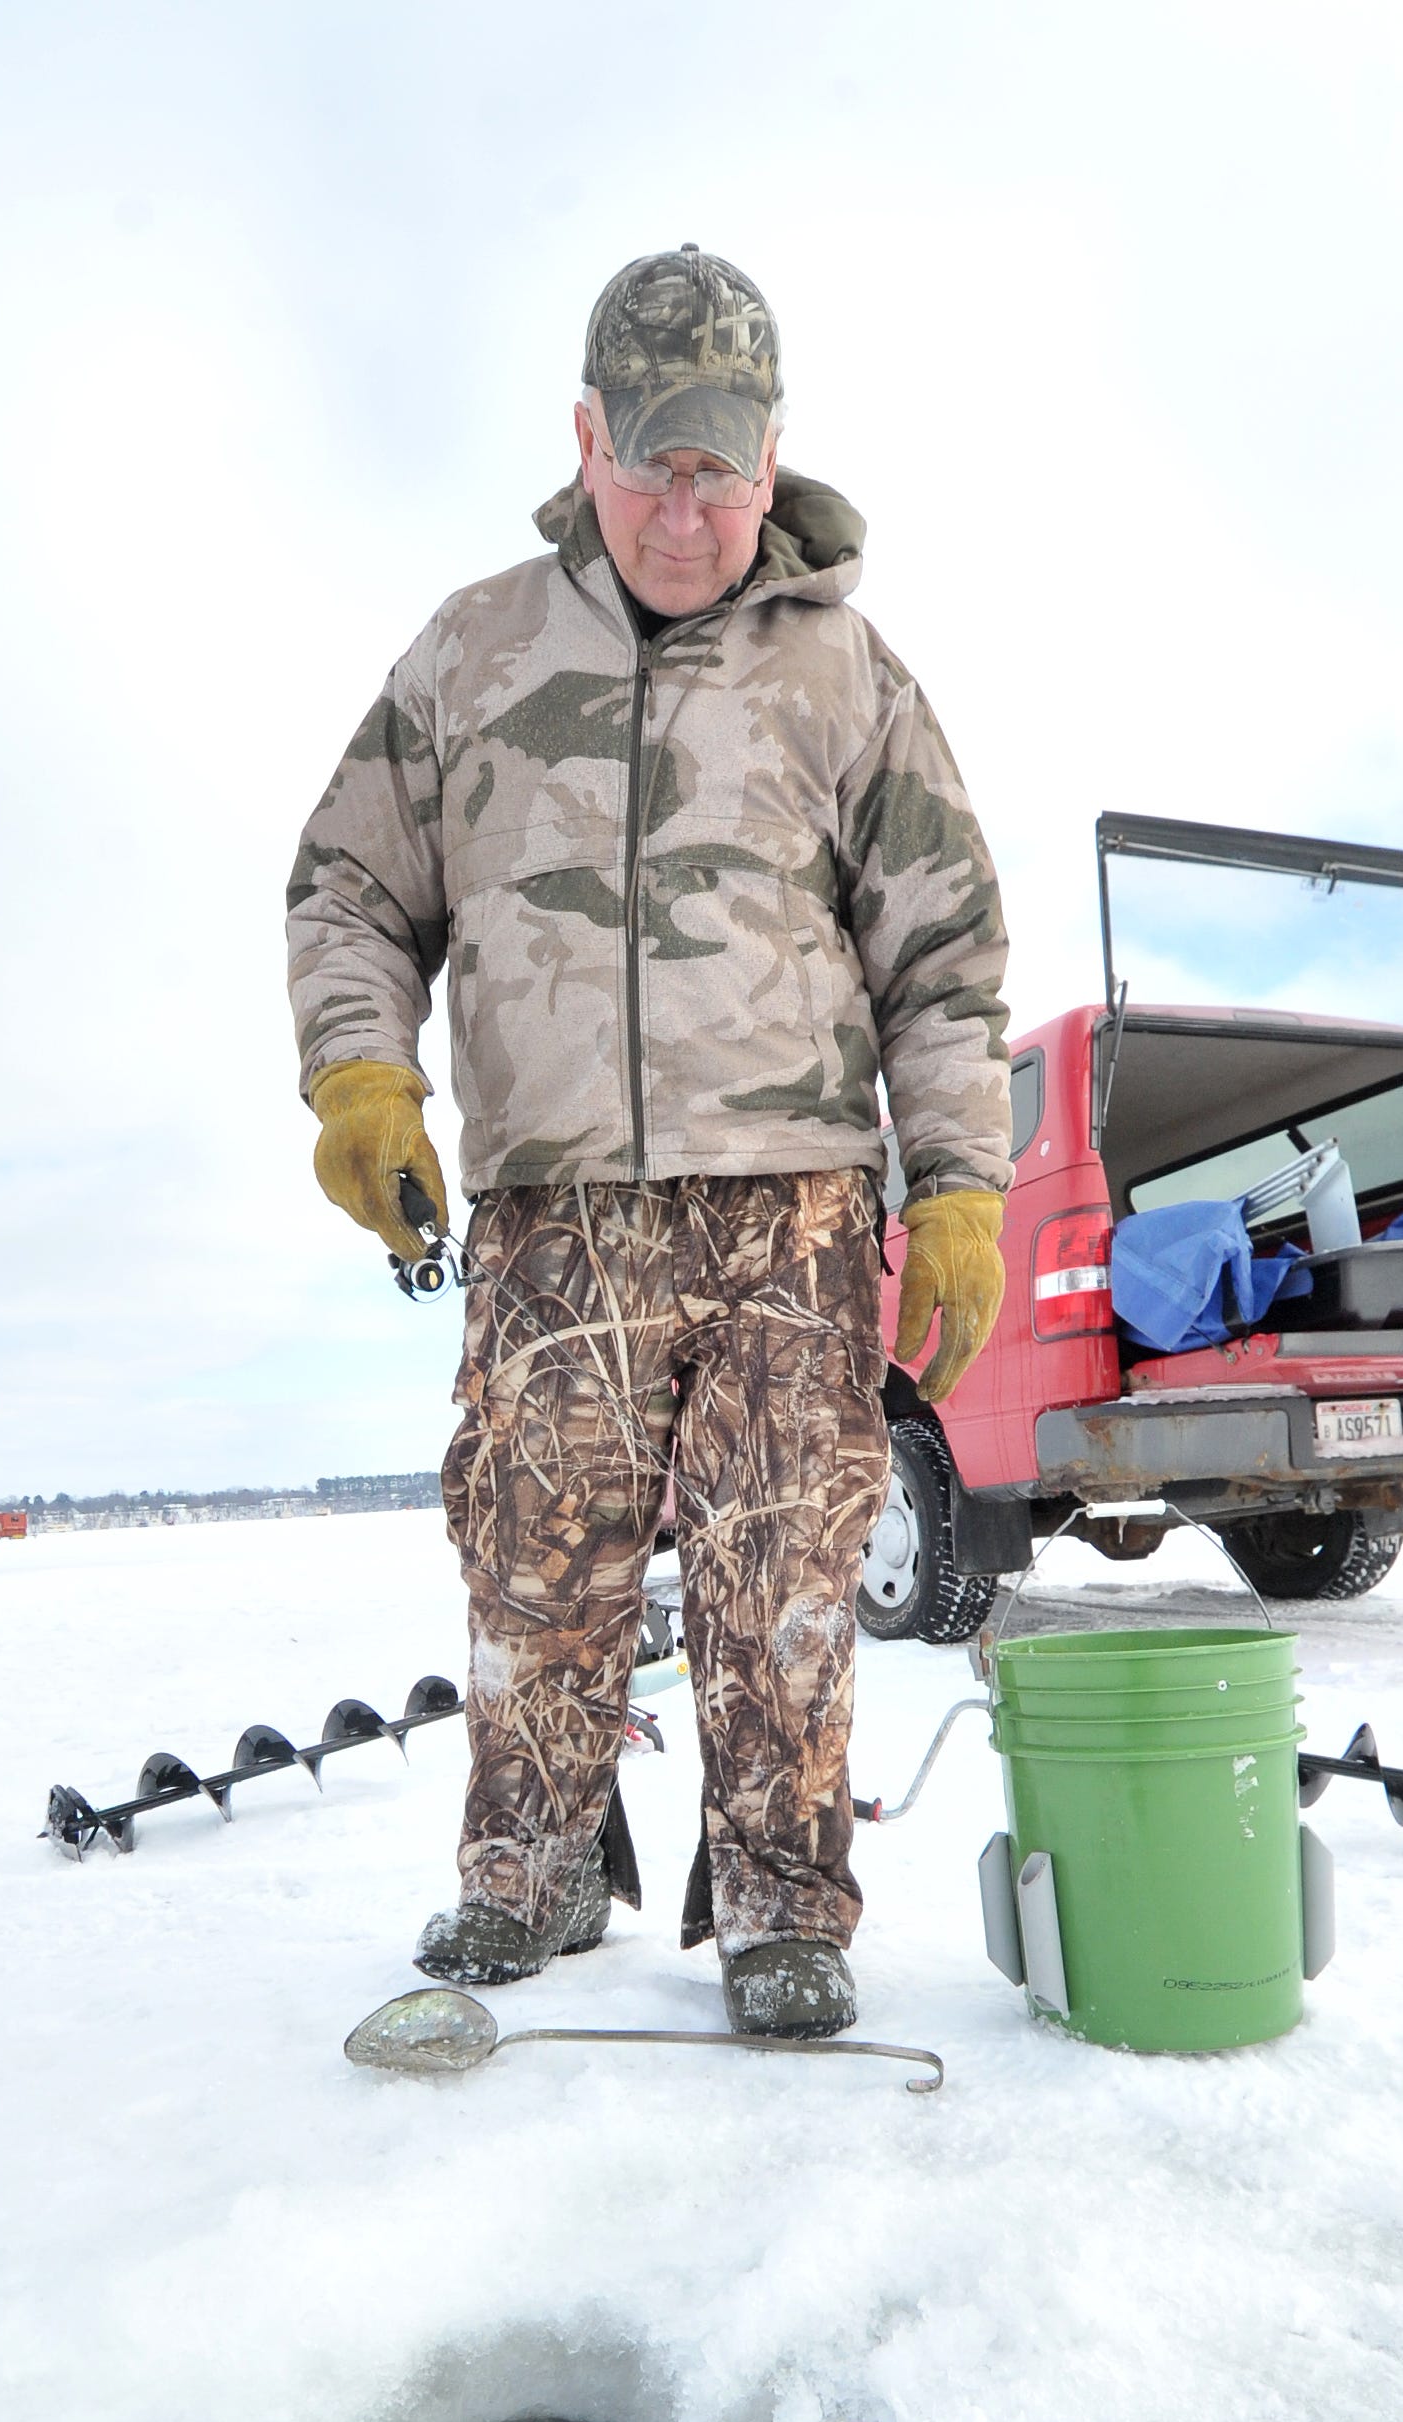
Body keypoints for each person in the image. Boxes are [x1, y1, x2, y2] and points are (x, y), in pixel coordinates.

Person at [287, 246, 1012, 2039]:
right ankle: (526, 1875)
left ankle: (781, 1906)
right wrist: (360, 1082)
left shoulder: (850, 676)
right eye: (653, 463)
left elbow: (945, 954)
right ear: (587, 436)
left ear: (772, 458)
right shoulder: (470, 656)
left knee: (789, 1565)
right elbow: (352, 890)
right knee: (535, 1556)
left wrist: (965, 1186)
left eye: (724, 466)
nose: (686, 511)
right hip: (553, 1214)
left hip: (794, 1207)